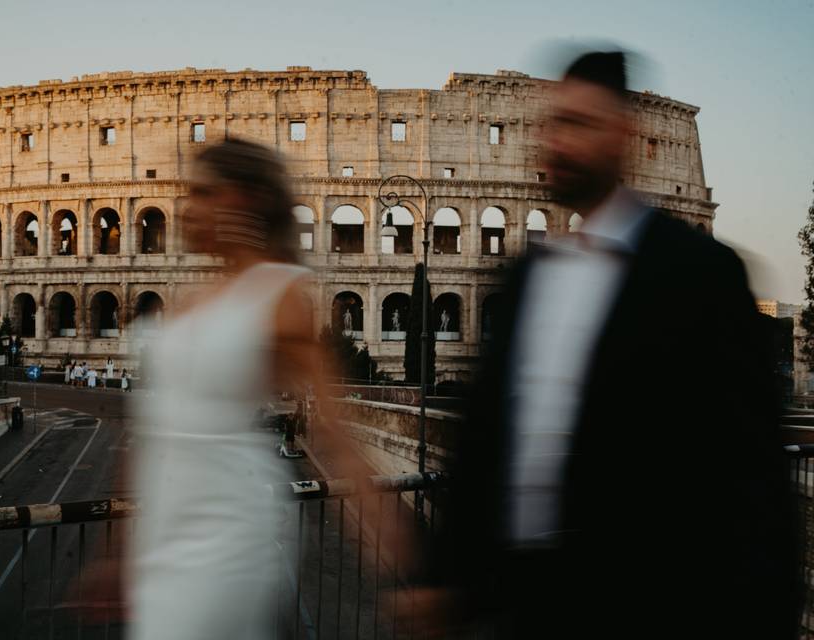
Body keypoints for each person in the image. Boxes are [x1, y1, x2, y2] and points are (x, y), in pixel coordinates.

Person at [415, 51, 800, 640]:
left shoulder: (701, 272)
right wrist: (442, 580)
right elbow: (487, 441)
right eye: (552, 125)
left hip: (650, 602)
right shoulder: (525, 278)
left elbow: (752, 468)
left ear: (625, 137)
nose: (558, 142)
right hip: (530, 607)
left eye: (580, 124)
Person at [126, 139, 341, 640]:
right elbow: (150, 423)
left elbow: (334, 429)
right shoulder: (192, 297)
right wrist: (119, 551)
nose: (187, 208)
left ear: (242, 200)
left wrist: (405, 560)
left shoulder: (282, 293)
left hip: (229, 519)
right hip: (166, 521)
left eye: (202, 193)